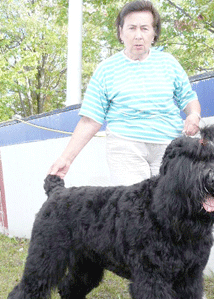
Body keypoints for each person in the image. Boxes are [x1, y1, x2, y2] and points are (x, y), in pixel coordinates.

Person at [48, 0, 201, 185]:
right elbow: (90, 120)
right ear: (121, 32)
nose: (138, 36)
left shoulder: (169, 63)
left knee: (171, 209)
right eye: (131, 28)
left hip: (169, 147)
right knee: (133, 210)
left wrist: (194, 115)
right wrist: (66, 159)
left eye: (144, 28)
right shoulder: (106, 70)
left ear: (154, 33)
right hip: (126, 148)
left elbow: (189, 99)